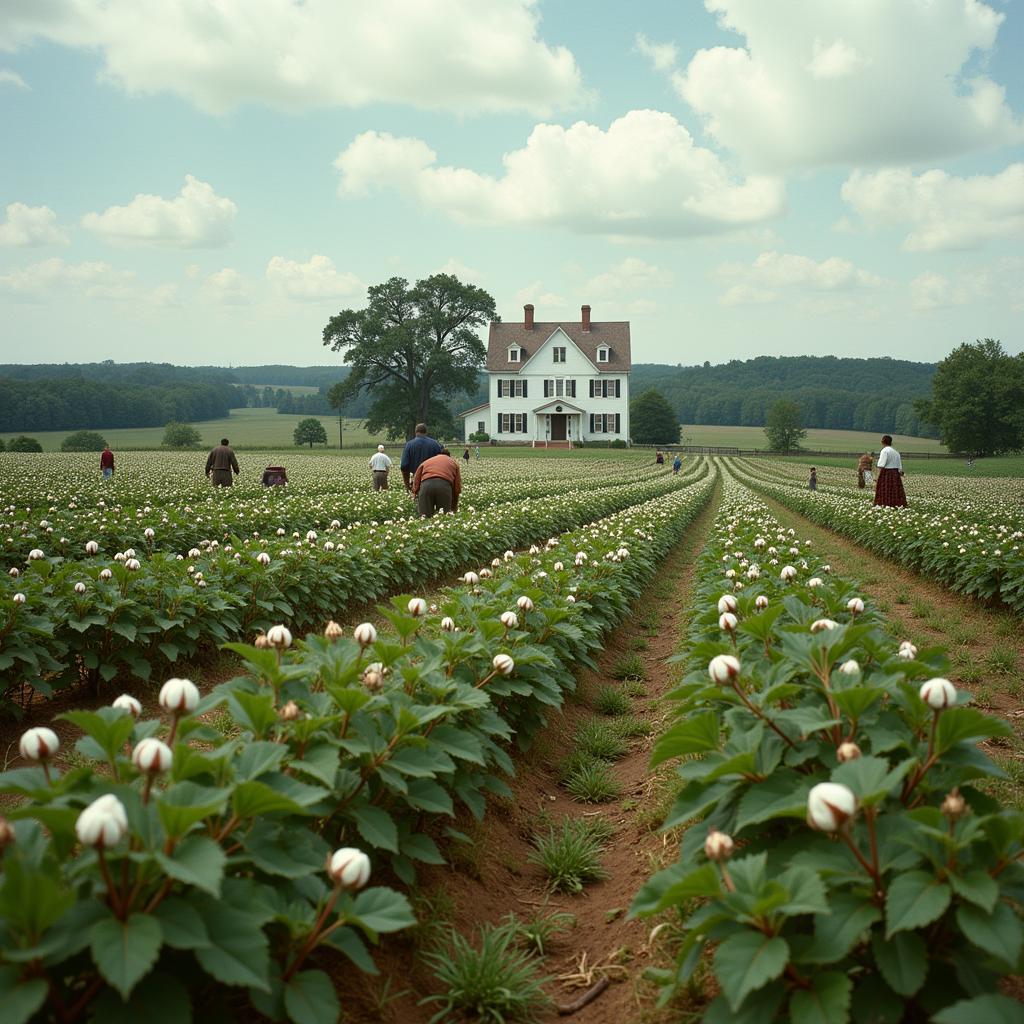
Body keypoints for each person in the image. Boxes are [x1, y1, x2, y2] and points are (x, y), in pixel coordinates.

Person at [412, 448, 462, 518]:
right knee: (443, 517)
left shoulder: (427, 461)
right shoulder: (453, 462)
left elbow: (417, 477)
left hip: (426, 485)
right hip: (444, 486)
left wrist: (415, 492)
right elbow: (457, 486)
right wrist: (454, 506)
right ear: (449, 456)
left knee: (425, 517)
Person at [400, 423, 443, 493]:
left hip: (418, 480)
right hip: (435, 480)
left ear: (415, 432)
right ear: (426, 432)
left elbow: (404, 466)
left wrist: (407, 485)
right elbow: (442, 461)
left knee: (420, 503)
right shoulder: (435, 444)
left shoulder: (409, 445)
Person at [874, 435, 907, 507]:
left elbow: (881, 465)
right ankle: (896, 505)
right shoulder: (896, 452)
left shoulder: (884, 451)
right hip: (895, 474)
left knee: (885, 490)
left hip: (886, 473)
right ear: (891, 442)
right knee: (895, 490)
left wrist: (877, 477)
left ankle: (884, 504)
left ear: (882, 441)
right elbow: (900, 468)